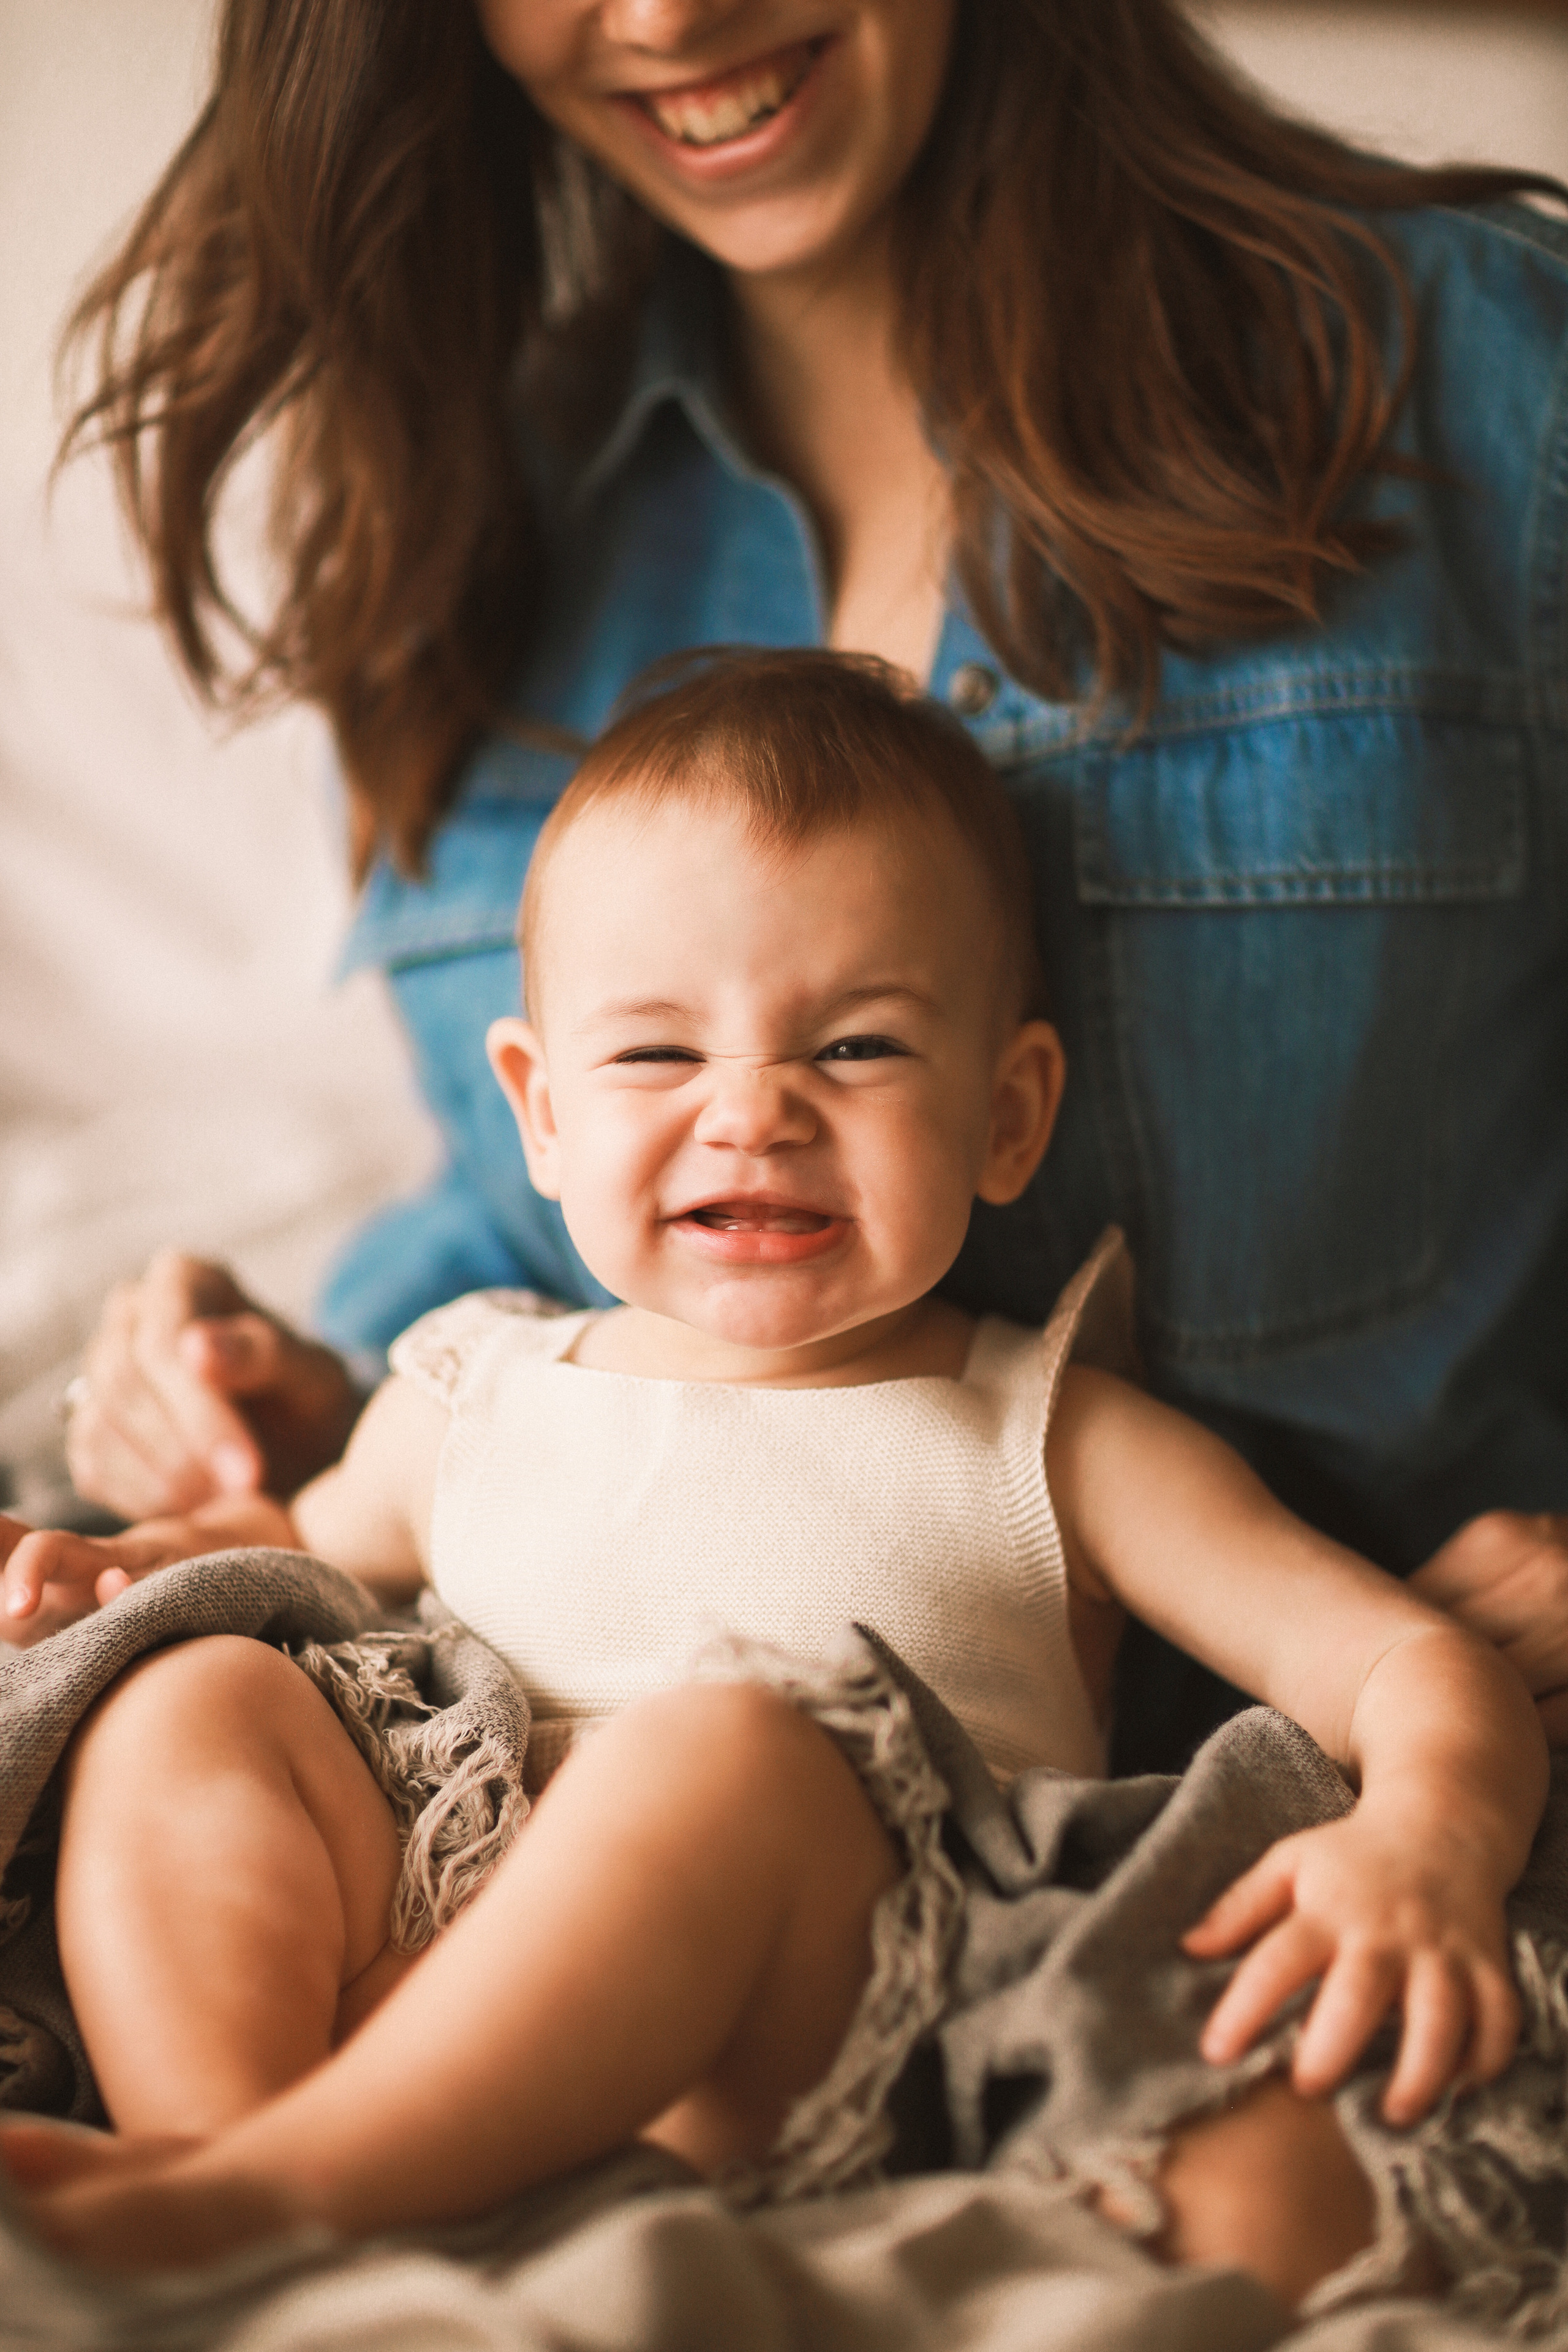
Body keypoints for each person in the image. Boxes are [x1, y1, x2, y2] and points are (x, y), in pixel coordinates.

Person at [54, 0, 1568, 1766]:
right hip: (601, 1817)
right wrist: (305, 1402)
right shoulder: (473, 532)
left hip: (1412, 1758)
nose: (670, 15)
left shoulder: (1485, 379)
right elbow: (549, 1242)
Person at [1, 654, 1547, 2308]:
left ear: (1010, 1117)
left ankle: (261, 2196)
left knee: (733, 1750)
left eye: (862, 1046)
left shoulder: (1051, 1436)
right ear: (537, 1111)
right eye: (659, 1056)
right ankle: (223, 2144)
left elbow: (1405, 1659)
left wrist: (1429, 1839)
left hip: (805, 2027)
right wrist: (126, 1564)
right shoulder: (475, 1383)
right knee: (204, 1687)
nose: (752, 1114)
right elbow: (282, 1541)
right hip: (425, 1954)